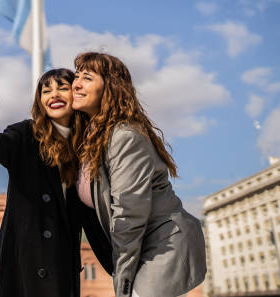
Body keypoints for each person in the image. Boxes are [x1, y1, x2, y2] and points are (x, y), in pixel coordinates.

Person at [0, 68, 112, 297]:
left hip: (62, 268)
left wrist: (121, 264)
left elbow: (92, 216)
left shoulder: (88, 147)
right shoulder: (25, 135)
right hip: (25, 269)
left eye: (62, 88)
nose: (53, 95)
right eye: (46, 90)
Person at [70, 52, 207, 297]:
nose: (76, 83)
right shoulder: (91, 137)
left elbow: (129, 214)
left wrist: (122, 284)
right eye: (76, 76)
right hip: (140, 249)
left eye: (87, 78)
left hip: (162, 248)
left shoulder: (123, 136)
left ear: (110, 88)